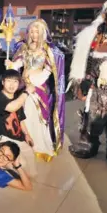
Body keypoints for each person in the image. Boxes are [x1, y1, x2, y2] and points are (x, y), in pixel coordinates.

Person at [68, 0, 107, 169]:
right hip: (96, 89)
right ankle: (89, 145)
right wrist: (83, 83)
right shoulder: (94, 37)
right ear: (105, 17)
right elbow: (86, 62)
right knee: (91, 121)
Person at [7, 19, 65, 162]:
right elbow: (19, 64)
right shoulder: (24, 48)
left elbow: (48, 70)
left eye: (37, 31)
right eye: (32, 31)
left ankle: (39, 146)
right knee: (22, 116)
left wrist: (34, 81)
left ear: (42, 33)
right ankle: (24, 144)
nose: (34, 34)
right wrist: (12, 65)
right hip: (23, 87)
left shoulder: (48, 51)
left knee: (34, 116)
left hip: (38, 89)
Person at [0, 69, 38, 177]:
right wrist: (26, 92)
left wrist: (27, 135)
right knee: (20, 164)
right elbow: (12, 107)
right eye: (9, 81)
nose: (12, 85)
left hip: (17, 137)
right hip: (2, 137)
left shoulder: (17, 98)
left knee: (30, 156)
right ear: (3, 82)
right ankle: (3, 166)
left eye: (15, 81)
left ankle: (23, 175)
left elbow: (20, 119)